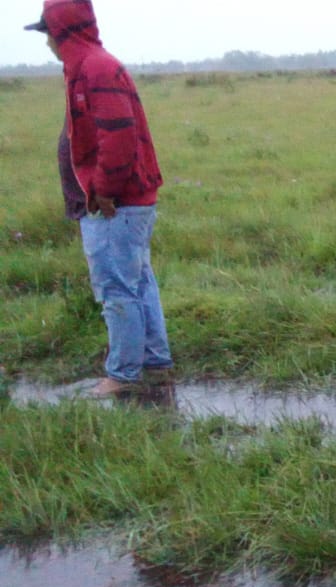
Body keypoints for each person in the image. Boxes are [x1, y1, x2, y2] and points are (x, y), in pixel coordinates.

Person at [27, 0, 172, 397]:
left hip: (115, 205)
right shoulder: (87, 67)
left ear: (62, 33)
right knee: (138, 282)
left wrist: (104, 191)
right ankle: (155, 363)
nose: (48, 45)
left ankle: (123, 375)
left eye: (48, 35)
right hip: (122, 202)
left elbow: (119, 135)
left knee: (116, 289)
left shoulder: (95, 68)